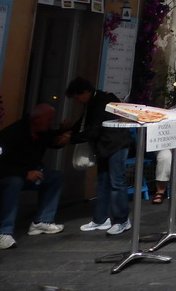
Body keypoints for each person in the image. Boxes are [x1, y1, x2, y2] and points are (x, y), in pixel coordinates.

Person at [0, 104, 69, 249]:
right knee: (14, 183)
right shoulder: (12, 134)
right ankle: (3, 233)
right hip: (4, 176)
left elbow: (51, 140)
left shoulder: (40, 132)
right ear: (37, 119)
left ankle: (42, 221)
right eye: (49, 119)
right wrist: (25, 173)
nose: (51, 122)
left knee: (54, 177)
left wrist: (63, 134)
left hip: (28, 173)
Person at [66, 77, 133, 235]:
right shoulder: (92, 101)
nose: (77, 101)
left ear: (85, 92)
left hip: (115, 144)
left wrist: (72, 138)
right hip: (104, 147)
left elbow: (93, 129)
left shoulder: (102, 102)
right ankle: (100, 219)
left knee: (117, 183)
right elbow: (84, 122)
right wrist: (72, 131)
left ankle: (122, 220)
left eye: (77, 97)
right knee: (103, 183)